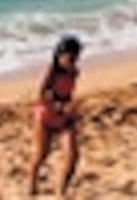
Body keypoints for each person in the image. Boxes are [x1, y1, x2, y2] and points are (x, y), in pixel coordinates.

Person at [28, 35, 82, 197]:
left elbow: (69, 93)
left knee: (72, 156)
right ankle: (32, 184)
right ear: (59, 55)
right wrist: (58, 105)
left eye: (75, 57)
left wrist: (72, 110)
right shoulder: (51, 71)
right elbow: (42, 94)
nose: (72, 60)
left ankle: (61, 191)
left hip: (64, 117)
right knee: (41, 154)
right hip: (46, 115)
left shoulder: (74, 71)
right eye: (69, 57)